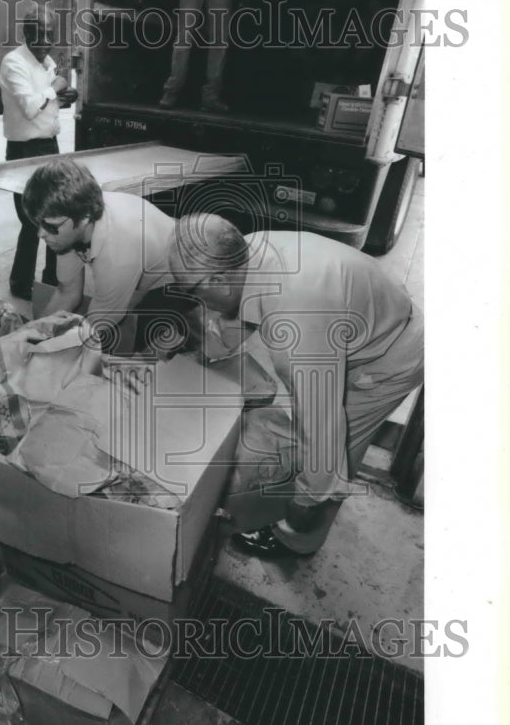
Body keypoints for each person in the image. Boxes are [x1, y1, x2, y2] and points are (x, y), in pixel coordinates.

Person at [168, 214, 424, 557]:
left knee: (338, 453)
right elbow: (244, 307)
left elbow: (322, 425)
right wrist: (205, 355)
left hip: (389, 359)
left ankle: (297, 538)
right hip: (365, 316)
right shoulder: (248, 250)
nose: (195, 301)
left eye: (191, 290)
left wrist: (308, 497)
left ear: (218, 276)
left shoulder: (296, 326)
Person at [20, 157, 196, 355]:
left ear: (84, 218)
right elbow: (67, 292)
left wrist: (41, 351)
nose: (41, 234)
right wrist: (27, 336)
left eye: (50, 226)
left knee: (134, 348)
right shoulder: (69, 218)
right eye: (38, 224)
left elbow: (93, 327)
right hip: (148, 253)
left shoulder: (118, 252)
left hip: (184, 272)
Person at [0, 2, 78, 301]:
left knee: (53, 217)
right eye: (38, 34)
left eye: (49, 34)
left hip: (49, 147)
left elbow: (49, 102)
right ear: (25, 32)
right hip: (23, 151)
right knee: (32, 221)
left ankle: (49, 280)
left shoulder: (45, 63)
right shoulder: (13, 62)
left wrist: (65, 96)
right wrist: (55, 88)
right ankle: (20, 284)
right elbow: (31, 107)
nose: (45, 41)